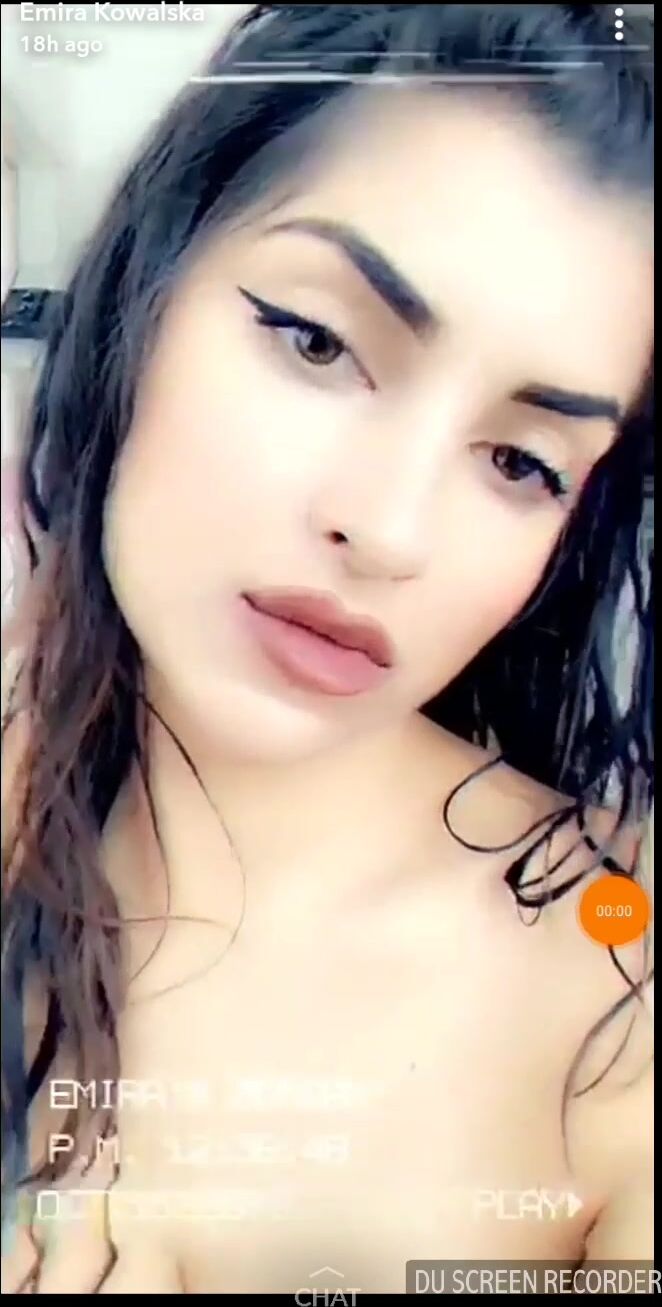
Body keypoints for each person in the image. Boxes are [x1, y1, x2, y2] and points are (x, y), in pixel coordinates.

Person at [1, 2, 654, 1294]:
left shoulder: (614, 1010)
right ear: (148, 281)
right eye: (319, 342)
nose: (388, 530)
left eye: (520, 462)